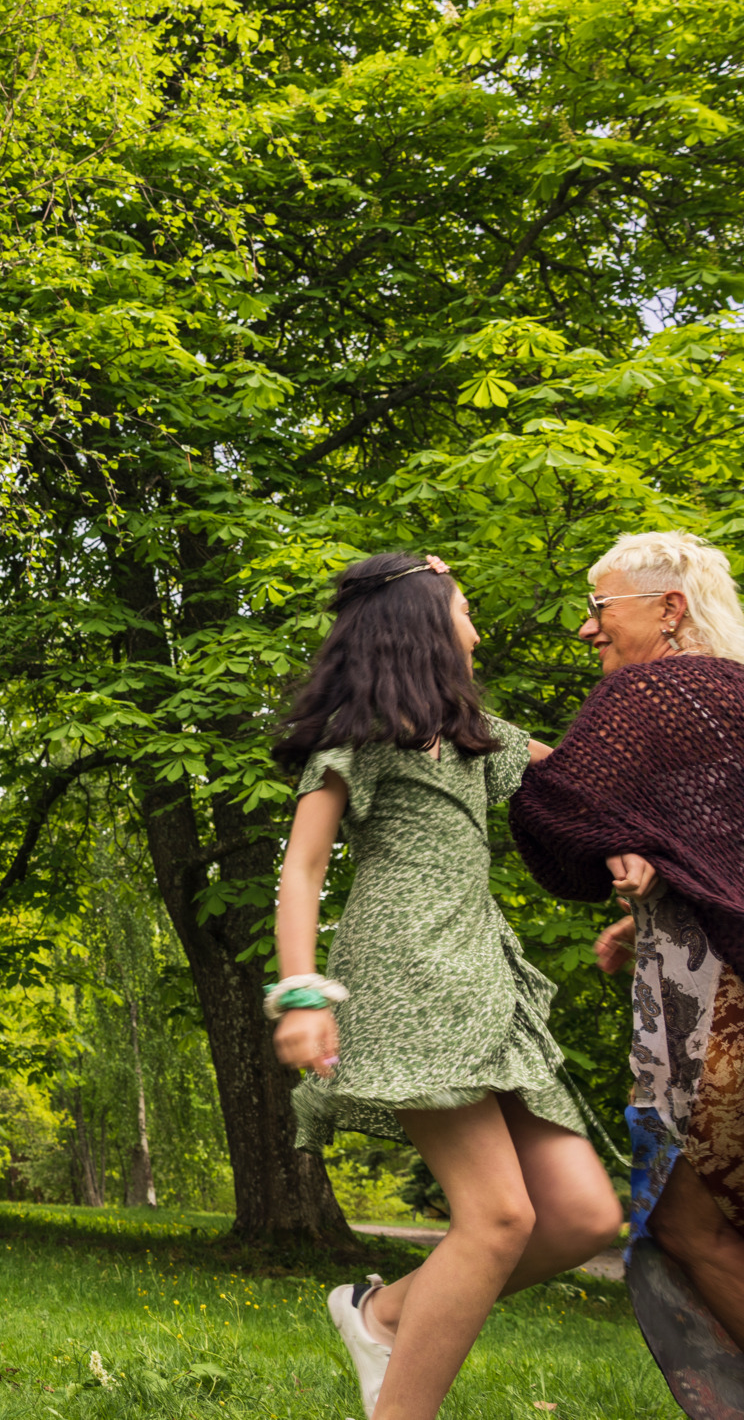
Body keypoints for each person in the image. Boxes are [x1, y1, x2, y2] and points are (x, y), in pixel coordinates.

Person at [269, 552, 621, 1420]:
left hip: (486, 981)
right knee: (499, 1219)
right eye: (464, 611)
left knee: (579, 1219)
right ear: (424, 628)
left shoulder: (480, 738)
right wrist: (302, 993)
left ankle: (380, 1312)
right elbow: (303, 870)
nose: (477, 628)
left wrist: (645, 848)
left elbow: (583, 785)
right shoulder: (359, 739)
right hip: (407, 976)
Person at [512, 532, 744, 1357]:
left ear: (669, 609)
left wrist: (456, 719)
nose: (587, 629)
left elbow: (558, 805)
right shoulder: (733, 699)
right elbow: (716, 850)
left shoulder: (654, 693)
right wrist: (668, 891)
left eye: (600, 607)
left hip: (729, 1022)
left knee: (689, 1229)